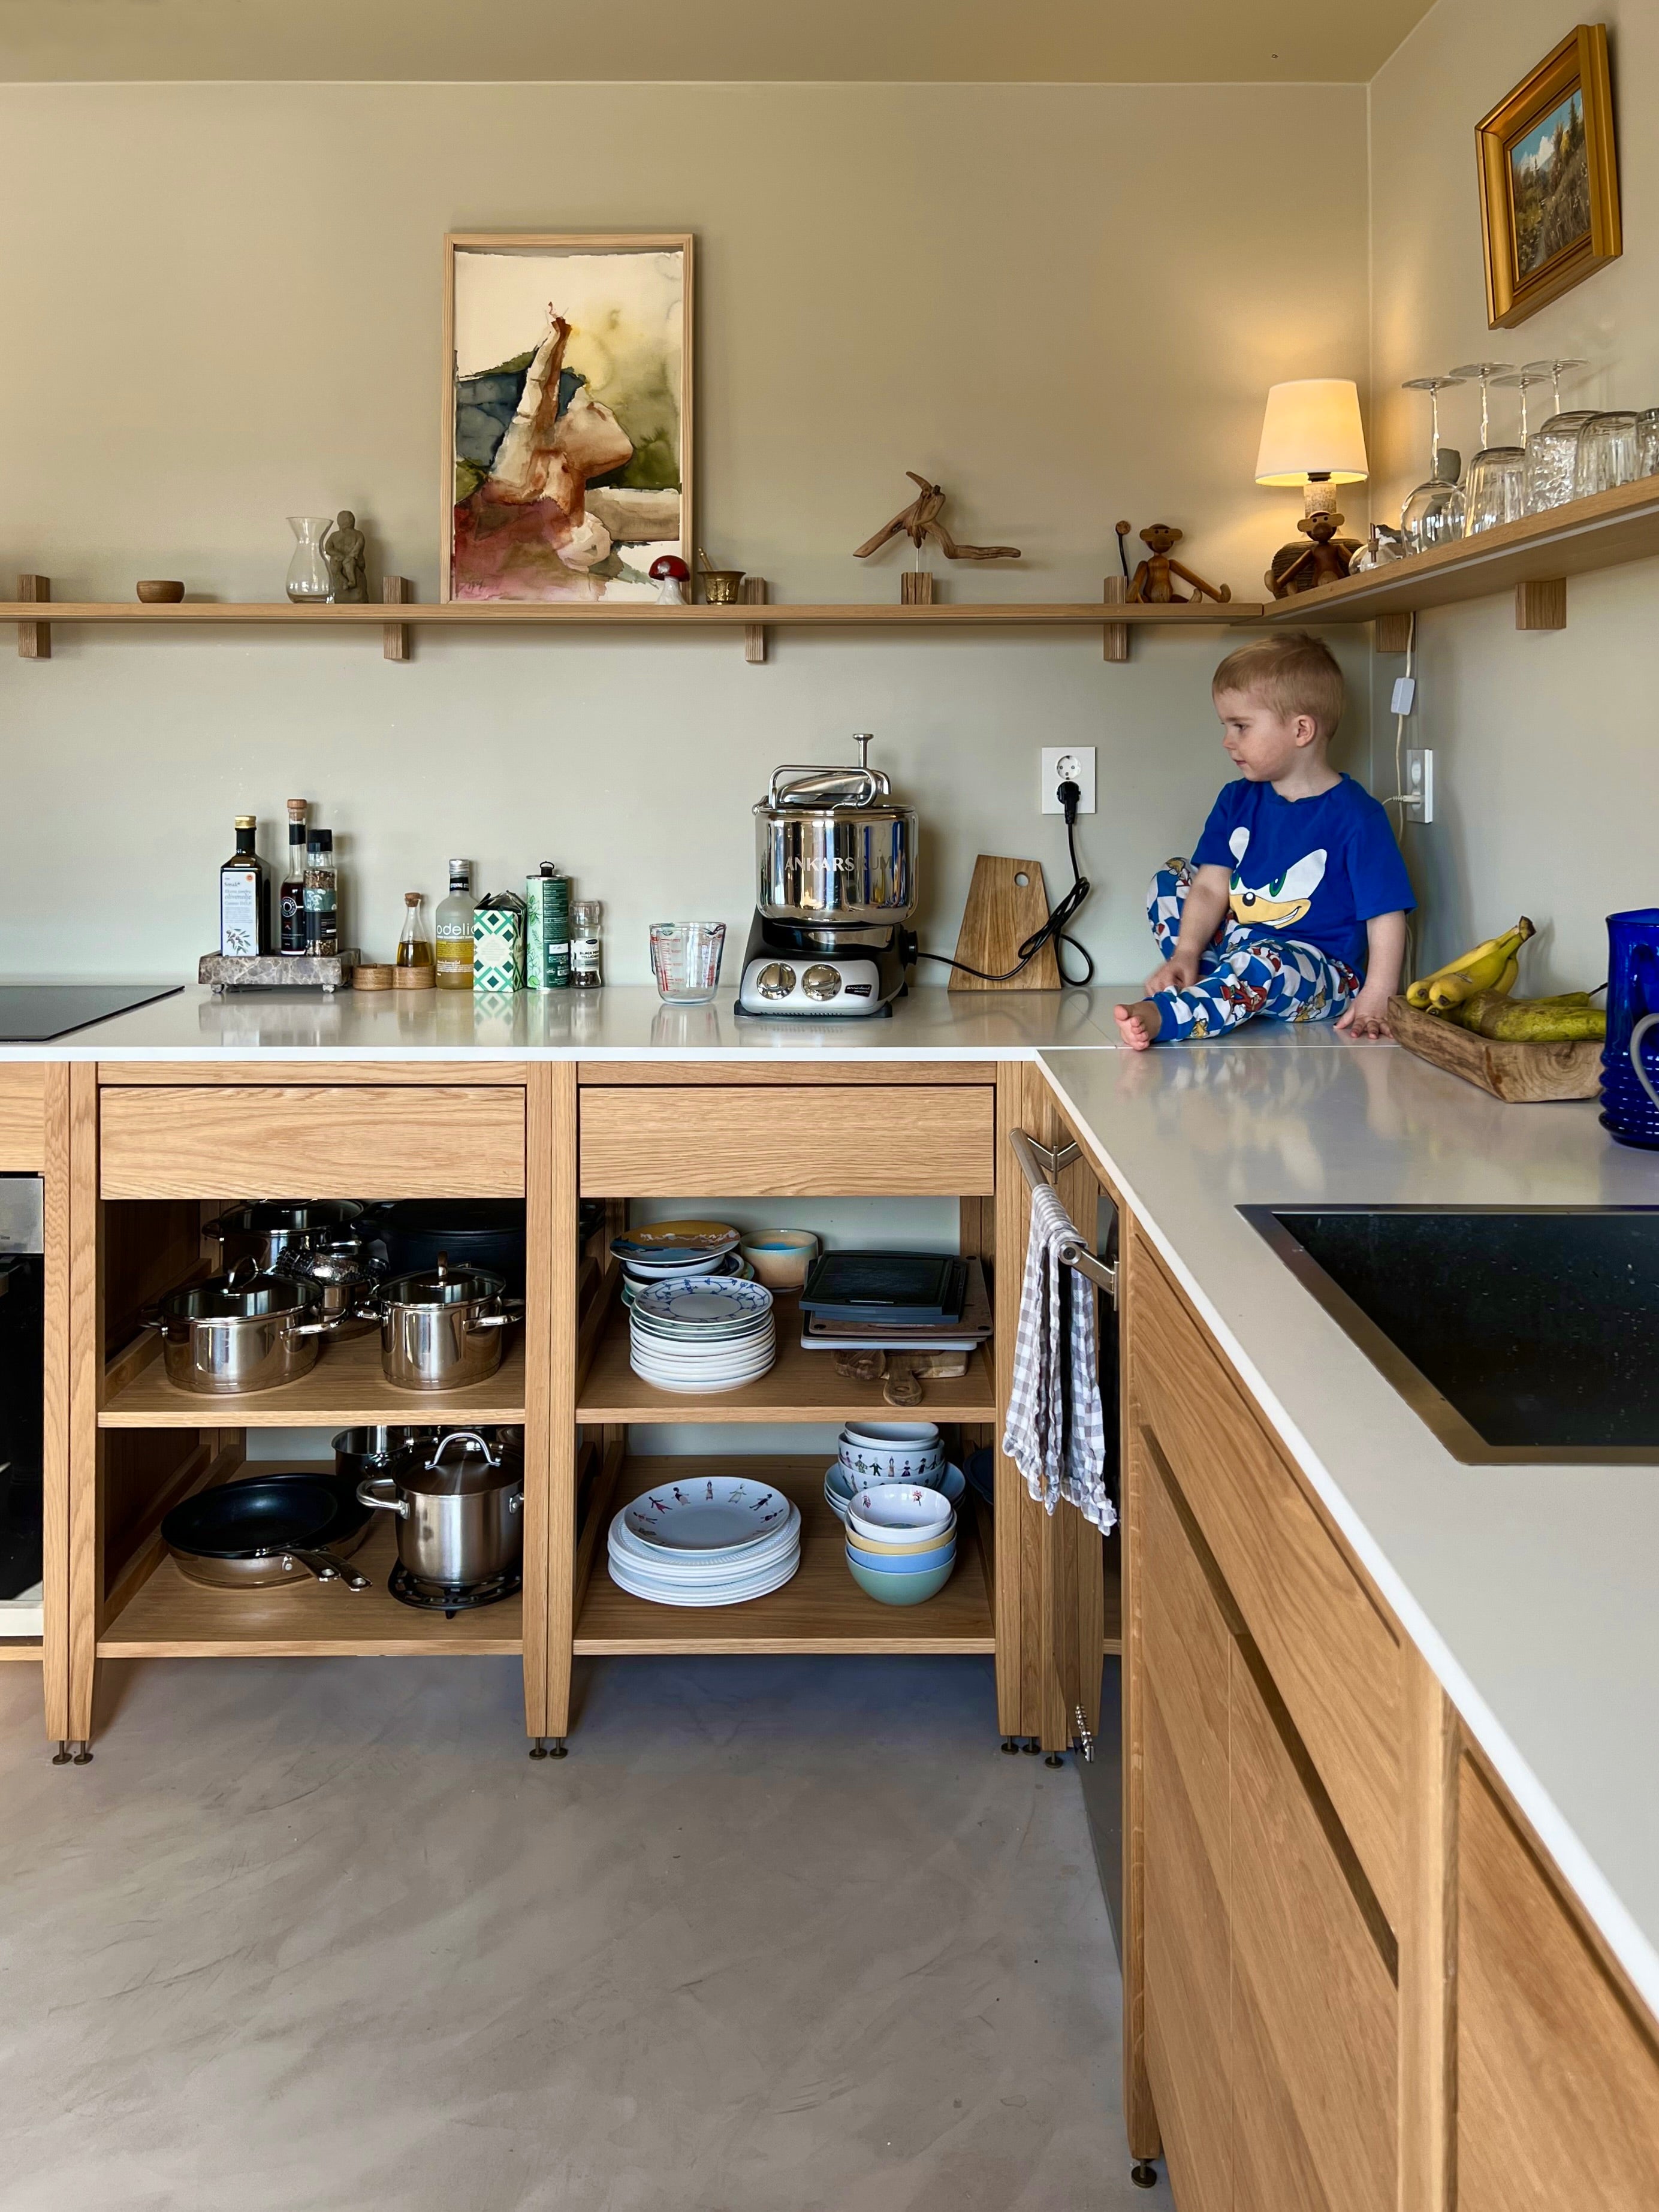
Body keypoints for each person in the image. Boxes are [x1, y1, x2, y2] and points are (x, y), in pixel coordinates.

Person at [1114, 632, 1412, 1049]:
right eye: (1226, 726)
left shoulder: (1358, 816)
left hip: (1318, 971)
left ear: (1301, 729)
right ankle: (1214, 979)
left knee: (1264, 963)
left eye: (1241, 726)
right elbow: (1209, 884)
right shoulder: (1237, 799)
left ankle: (1169, 1015)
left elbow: (1386, 915)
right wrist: (1185, 952)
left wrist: (1378, 994)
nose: (1227, 740)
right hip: (1242, 942)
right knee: (1171, 879)